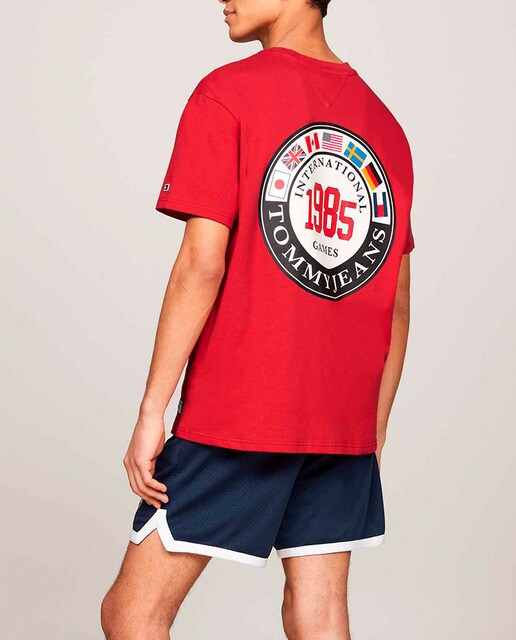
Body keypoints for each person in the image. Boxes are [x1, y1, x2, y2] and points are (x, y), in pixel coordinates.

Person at [101, 0, 415, 637]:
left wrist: (152, 410)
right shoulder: (385, 128)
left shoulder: (228, 93)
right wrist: (370, 431)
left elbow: (201, 264)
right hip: (341, 421)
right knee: (318, 615)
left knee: (132, 614)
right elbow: (397, 301)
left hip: (240, 410)